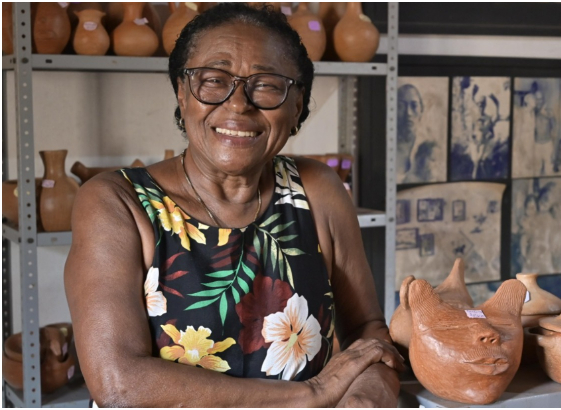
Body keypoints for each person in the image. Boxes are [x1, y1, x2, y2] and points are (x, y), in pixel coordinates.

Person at [64, 3, 403, 407]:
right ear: (181, 92)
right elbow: (119, 385)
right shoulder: (118, 202)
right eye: (214, 80)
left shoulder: (317, 190)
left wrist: (369, 392)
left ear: (296, 106)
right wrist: (312, 395)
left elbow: (367, 330)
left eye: (267, 85)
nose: (239, 104)